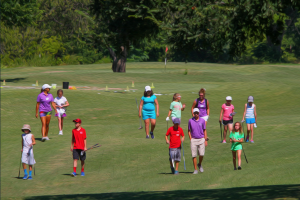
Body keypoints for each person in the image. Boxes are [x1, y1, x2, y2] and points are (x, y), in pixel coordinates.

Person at [188, 108, 208, 174]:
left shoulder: (202, 120)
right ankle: (195, 169)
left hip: (201, 139)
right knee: (194, 155)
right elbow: (189, 130)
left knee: (201, 154)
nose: (196, 114)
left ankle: (199, 164)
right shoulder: (190, 120)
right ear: (193, 114)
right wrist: (191, 139)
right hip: (193, 139)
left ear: (199, 113)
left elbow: (204, 130)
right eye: (195, 113)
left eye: (197, 113)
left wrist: (205, 140)